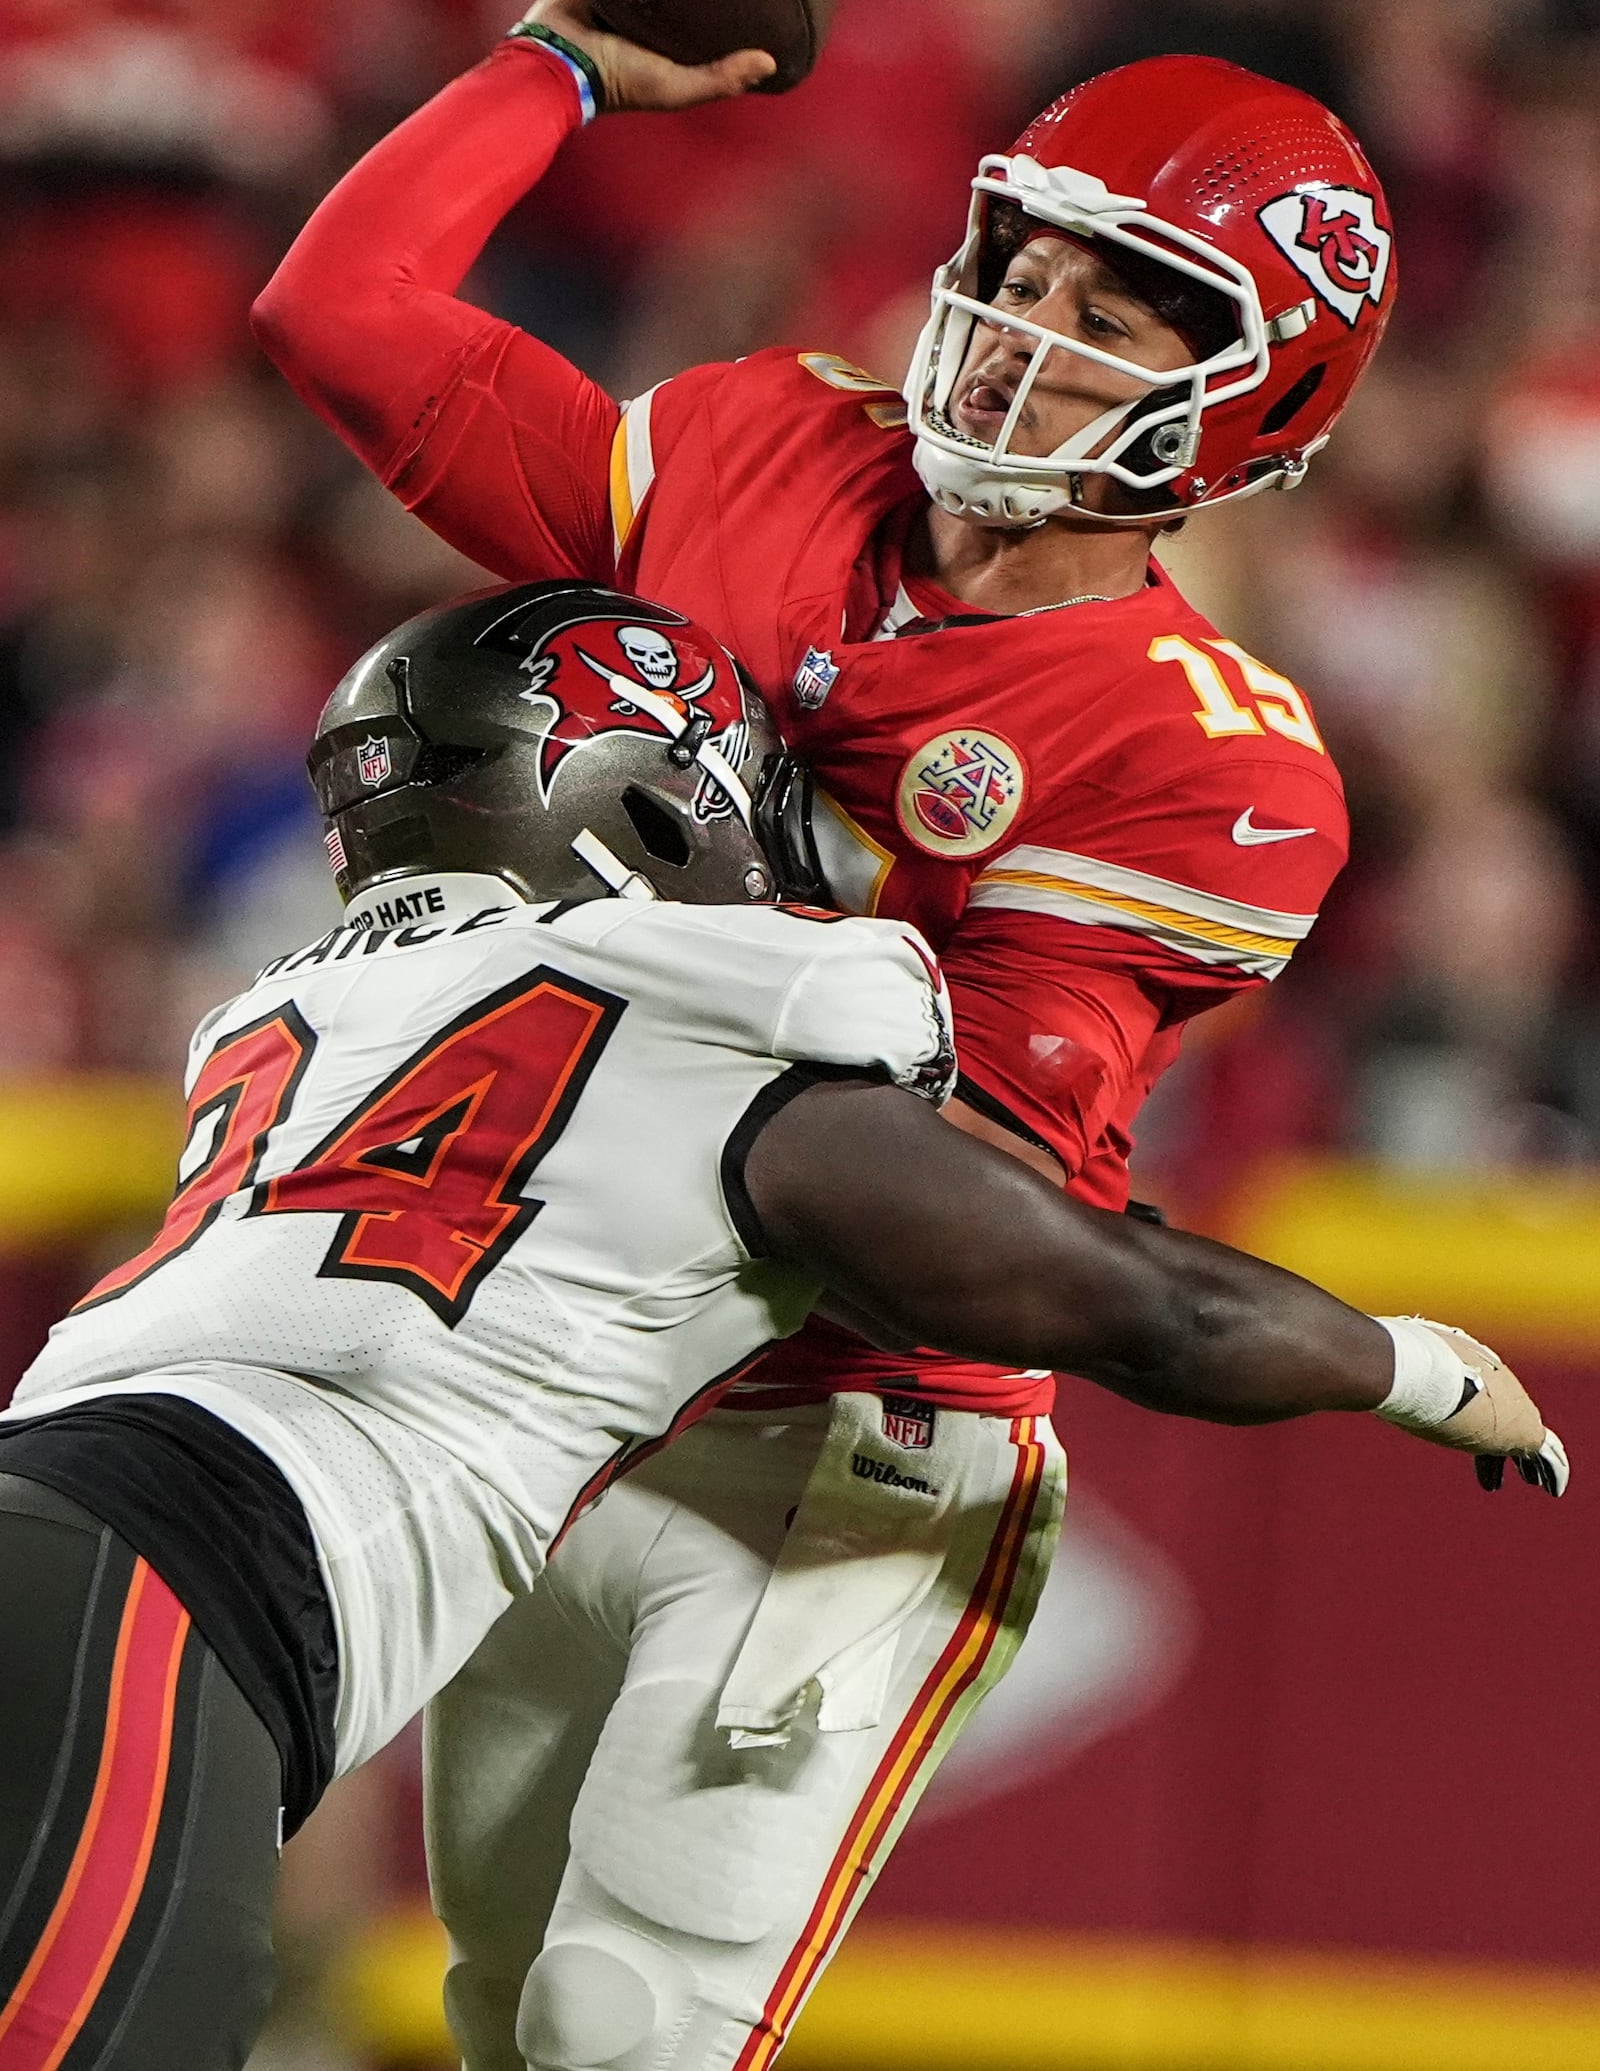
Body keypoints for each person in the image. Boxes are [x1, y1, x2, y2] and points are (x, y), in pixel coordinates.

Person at [250, 0, 1405, 2071]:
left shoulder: (1200, 755)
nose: (1024, 327)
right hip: (585, 1368)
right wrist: (559, 65)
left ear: (1246, 402)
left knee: (626, 2028)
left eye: (1122, 308)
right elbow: (342, 308)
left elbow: (950, 1179)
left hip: (854, 1430)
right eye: (1017, 261)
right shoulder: (757, 440)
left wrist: (718, 887)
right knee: (502, 2013)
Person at [0, 579, 1565, 2071]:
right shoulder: (723, 992)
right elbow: (1131, 1306)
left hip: (70, 1500)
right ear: (656, 792)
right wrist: (1416, 1366)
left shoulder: (283, 1004)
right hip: (174, 1581)